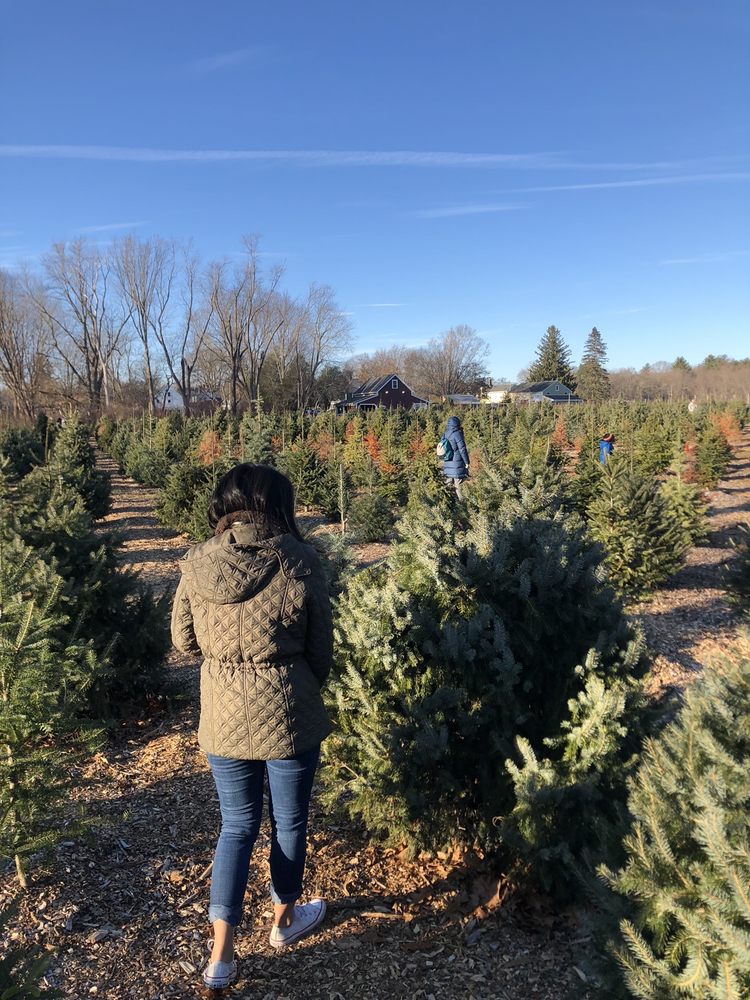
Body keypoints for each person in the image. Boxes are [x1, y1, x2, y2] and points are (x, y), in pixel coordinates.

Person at [171, 463, 333, 990]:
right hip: (288, 712)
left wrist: (224, 664)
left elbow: (184, 641)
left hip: (222, 713)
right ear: (278, 505)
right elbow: (320, 649)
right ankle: (284, 920)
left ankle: (221, 954)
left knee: (236, 826)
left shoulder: (197, 562)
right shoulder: (301, 560)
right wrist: (299, 684)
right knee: (289, 822)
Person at [442, 415, 470, 496]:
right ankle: (462, 504)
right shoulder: (457, 434)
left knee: (448, 483)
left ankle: (448, 503)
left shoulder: (445, 433)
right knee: (458, 485)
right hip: (457, 463)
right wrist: (467, 462)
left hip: (447, 461)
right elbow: (462, 449)